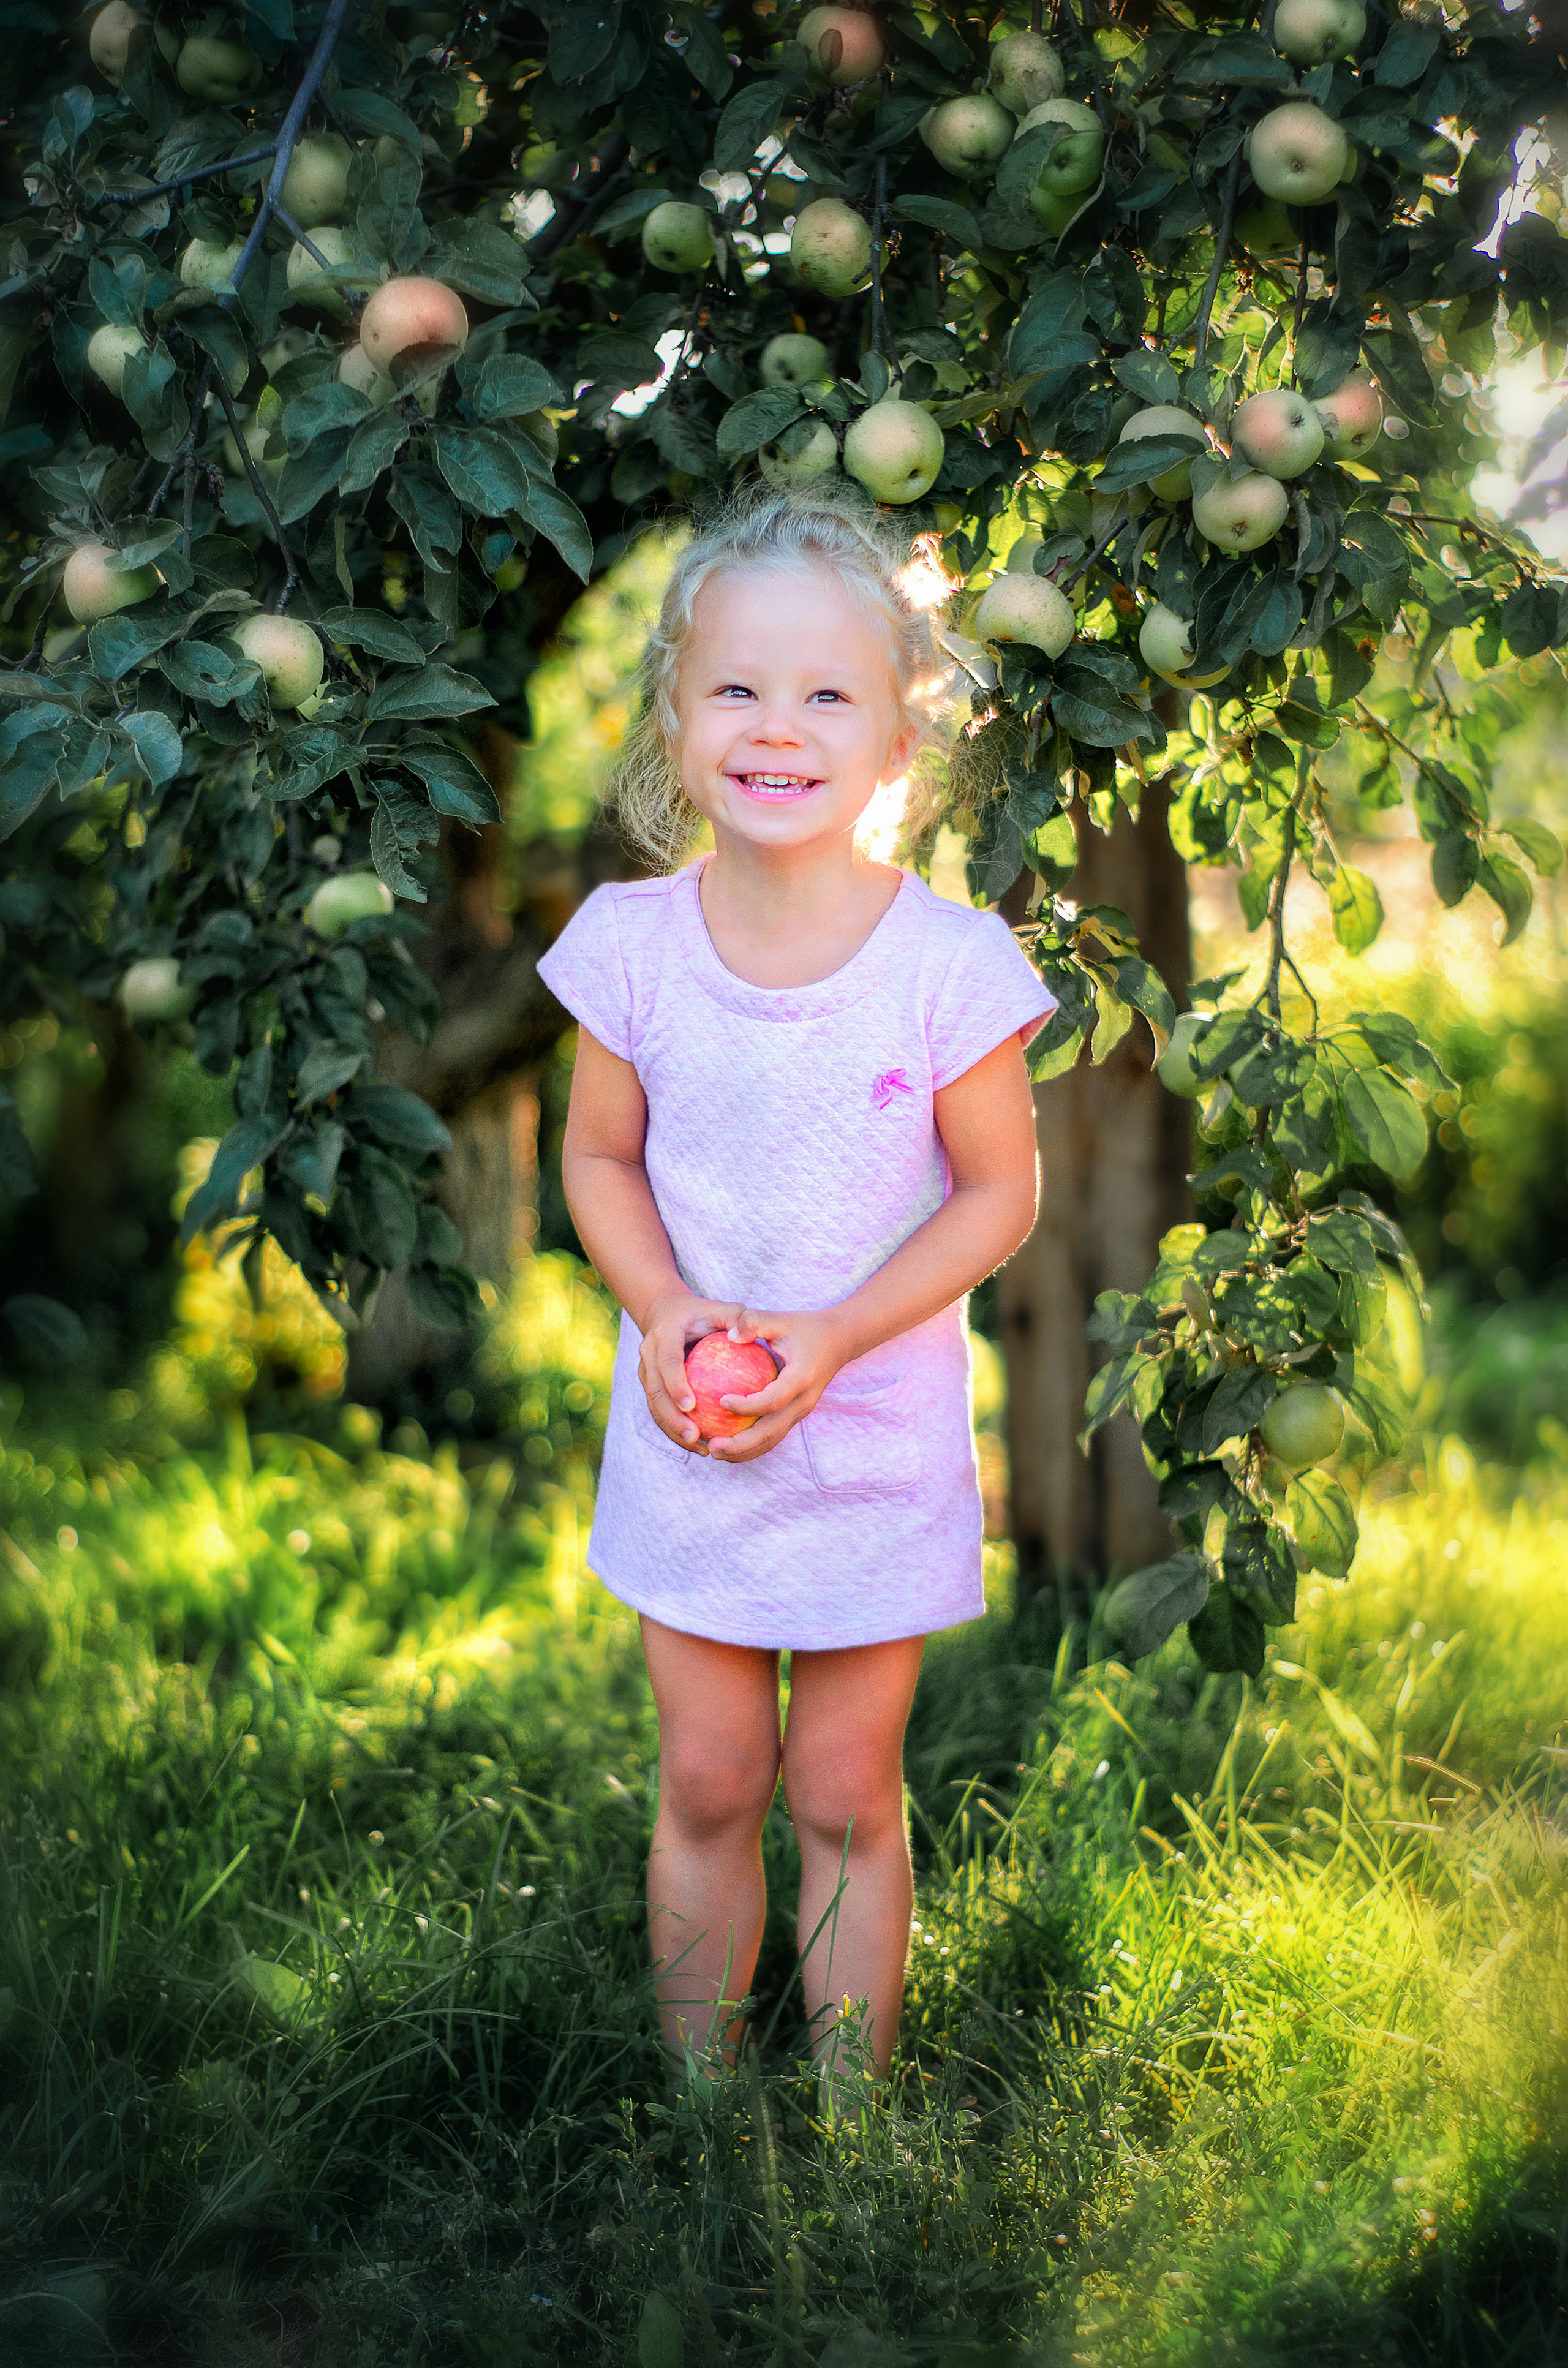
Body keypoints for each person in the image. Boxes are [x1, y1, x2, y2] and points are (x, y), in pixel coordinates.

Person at [535, 488, 1055, 2100]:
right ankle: (698, 2119)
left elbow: (1001, 1193)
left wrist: (834, 1333)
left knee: (840, 1789)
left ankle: (857, 2128)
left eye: (829, 692)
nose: (778, 725)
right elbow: (601, 1161)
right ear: (679, 722)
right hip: (693, 1433)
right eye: (738, 688)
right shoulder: (626, 947)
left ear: (900, 741)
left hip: (875, 1439)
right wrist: (665, 1310)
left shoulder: (950, 965)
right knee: (708, 1772)